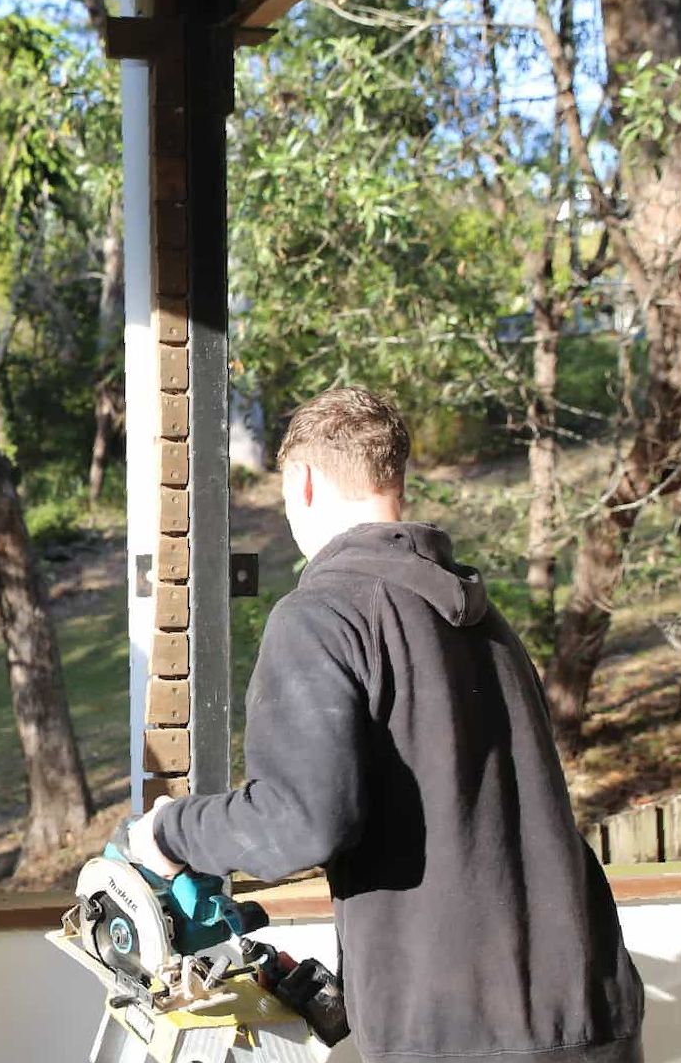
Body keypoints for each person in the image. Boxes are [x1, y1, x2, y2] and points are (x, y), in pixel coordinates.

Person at [124, 387, 644, 1063]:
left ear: (303, 483)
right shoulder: (483, 619)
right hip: (590, 1011)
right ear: (393, 479)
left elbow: (299, 822)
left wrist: (170, 831)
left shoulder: (322, 615)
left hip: (456, 1034)